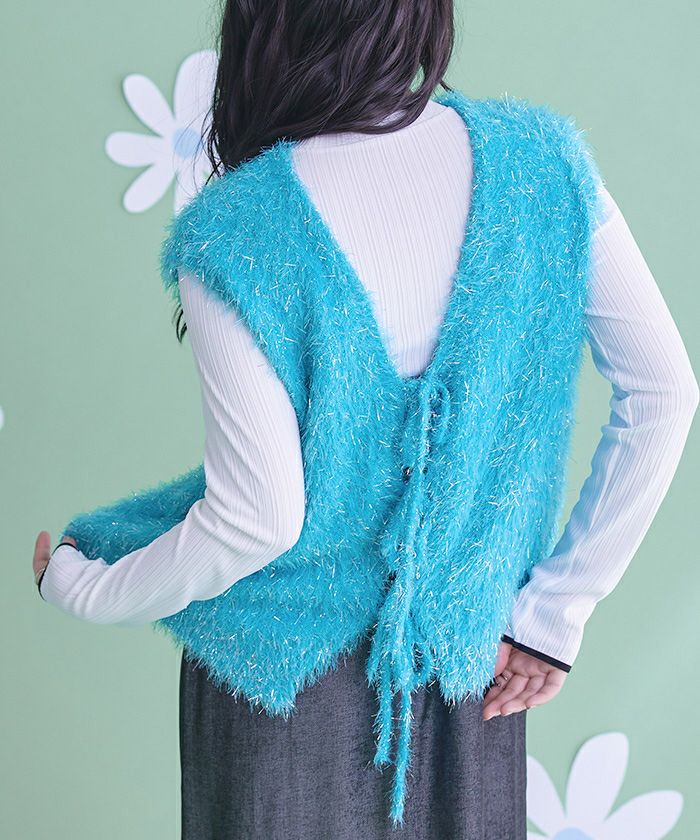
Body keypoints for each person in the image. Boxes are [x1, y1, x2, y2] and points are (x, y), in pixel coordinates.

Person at [33, 2, 698, 838]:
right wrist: (553, 615)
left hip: (279, 687)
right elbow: (665, 392)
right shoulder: (545, 165)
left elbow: (256, 519)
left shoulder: (234, 230)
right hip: (467, 673)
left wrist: (91, 588)